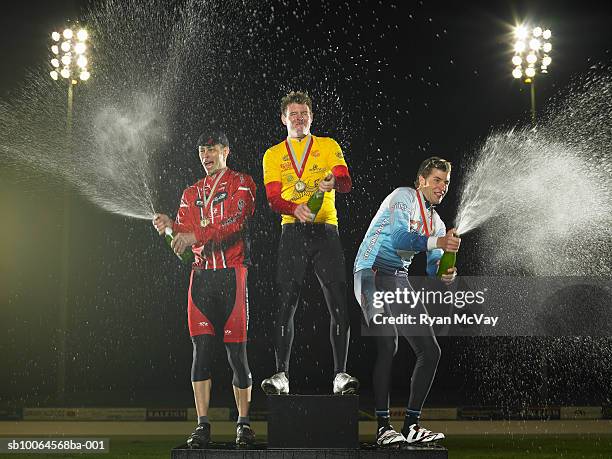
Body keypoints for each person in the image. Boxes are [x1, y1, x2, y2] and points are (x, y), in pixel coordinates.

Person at [152, 129, 257, 448]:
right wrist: (169, 228)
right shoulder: (190, 192)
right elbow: (183, 246)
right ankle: (202, 425)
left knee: (236, 355)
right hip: (201, 279)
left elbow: (235, 223)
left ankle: (243, 423)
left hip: (232, 275)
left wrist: (193, 236)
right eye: (201, 151)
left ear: (226, 150)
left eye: (211, 149)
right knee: (200, 353)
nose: (206, 156)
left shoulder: (243, 182)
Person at [353, 156, 460, 446]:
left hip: (397, 277)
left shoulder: (437, 222)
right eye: (437, 180)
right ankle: (383, 427)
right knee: (389, 344)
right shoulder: (403, 196)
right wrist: (438, 244)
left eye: (446, 182)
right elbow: (401, 239)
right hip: (370, 272)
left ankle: (412, 425)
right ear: (422, 180)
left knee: (430, 350)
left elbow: (431, 269)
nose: (443, 186)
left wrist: (446, 270)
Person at [260, 91, 359, 395]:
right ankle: (281, 375)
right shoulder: (273, 154)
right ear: (283, 119)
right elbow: (273, 198)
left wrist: (333, 183)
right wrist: (294, 208)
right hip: (293, 231)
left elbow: (345, 182)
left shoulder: (328, 146)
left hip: (326, 231)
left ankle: (340, 375)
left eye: (304, 114)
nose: (299, 119)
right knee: (285, 304)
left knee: (338, 303)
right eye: (293, 114)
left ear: (312, 117)